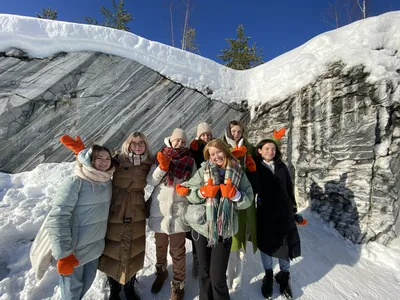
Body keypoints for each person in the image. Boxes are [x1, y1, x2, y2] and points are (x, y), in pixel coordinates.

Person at [176, 138, 254, 300]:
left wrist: (235, 195)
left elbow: (249, 197)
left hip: (223, 230)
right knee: (204, 273)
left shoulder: (237, 171)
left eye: (219, 151)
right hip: (201, 227)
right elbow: (189, 191)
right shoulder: (203, 170)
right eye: (212, 154)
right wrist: (203, 193)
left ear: (225, 151)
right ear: (208, 157)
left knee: (217, 277)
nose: (216, 156)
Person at [46, 136, 114, 300]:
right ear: (90, 160)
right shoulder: (75, 182)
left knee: (86, 285)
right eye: (99, 158)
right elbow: (58, 217)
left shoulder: (107, 182)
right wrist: (63, 254)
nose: (104, 162)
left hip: (94, 248)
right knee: (71, 294)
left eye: (107, 158)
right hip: (73, 251)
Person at [97, 132, 153, 300]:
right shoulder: (117, 160)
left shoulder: (148, 163)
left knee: (134, 248)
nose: (137, 146)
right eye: (133, 143)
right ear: (127, 144)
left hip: (136, 210)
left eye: (141, 143)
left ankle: (129, 285)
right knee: (113, 248)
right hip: (116, 208)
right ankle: (114, 288)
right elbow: (99, 167)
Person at [146, 128, 197, 300]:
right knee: (160, 246)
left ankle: (178, 284)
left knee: (178, 251)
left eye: (183, 141)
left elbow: (195, 181)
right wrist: (162, 167)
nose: (180, 144)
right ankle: (161, 273)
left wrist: (187, 189)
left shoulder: (189, 159)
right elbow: (151, 180)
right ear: (171, 140)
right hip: (159, 210)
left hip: (178, 210)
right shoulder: (161, 154)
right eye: (178, 141)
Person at [255, 129, 301, 299]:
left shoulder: (281, 166)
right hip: (265, 213)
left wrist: (294, 209)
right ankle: (268, 274)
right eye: (266, 148)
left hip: (283, 212)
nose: (270, 152)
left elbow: (289, 187)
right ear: (259, 150)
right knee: (267, 244)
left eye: (273, 149)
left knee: (285, 244)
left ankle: (284, 275)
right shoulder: (256, 166)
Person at [222, 120, 257, 290]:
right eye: (233, 131)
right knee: (231, 237)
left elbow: (264, 154)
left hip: (244, 195)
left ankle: (239, 274)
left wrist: (251, 167)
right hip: (228, 196)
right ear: (229, 132)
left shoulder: (248, 147)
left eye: (238, 131)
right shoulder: (222, 146)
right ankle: (229, 273)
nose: (236, 134)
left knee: (242, 235)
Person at [187, 121, 213, 278]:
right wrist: (192, 150)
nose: (206, 137)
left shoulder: (214, 148)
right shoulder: (194, 149)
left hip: (212, 192)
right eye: (203, 135)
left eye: (208, 134)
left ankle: (209, 255)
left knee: (210, 224)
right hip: (197, 192)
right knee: (196, 225)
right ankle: (197, 257)